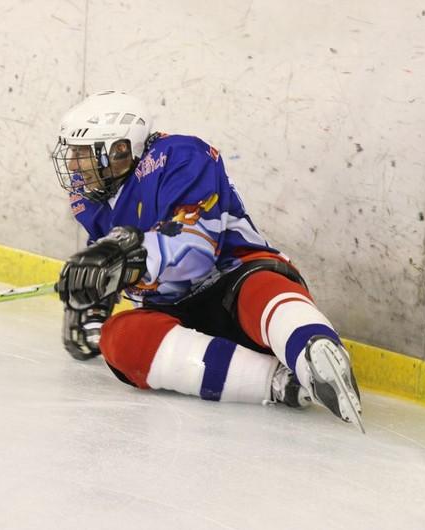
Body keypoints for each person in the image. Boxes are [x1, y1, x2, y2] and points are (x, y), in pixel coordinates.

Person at [51, 90, 364, 432]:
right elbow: (113, 251)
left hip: (233, 279)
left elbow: (196, 252)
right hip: (177, 315)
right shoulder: (91, 201)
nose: (73, 165)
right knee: (121, 340)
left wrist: (127, 256)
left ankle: (312, 349)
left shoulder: (182, 157)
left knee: (261, 289)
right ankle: (278, 384)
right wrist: (95, 293)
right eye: (72, 153)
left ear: (120, 150)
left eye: (82, 153)